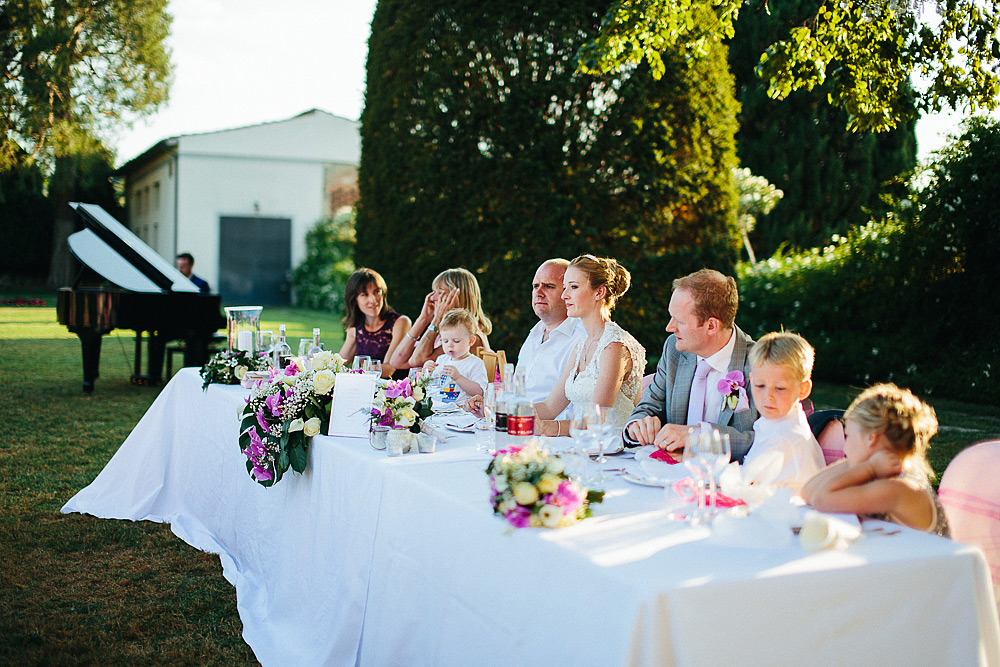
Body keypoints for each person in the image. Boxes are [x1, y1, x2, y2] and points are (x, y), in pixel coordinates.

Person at [624, 269, 757, 462]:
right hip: (667, 475)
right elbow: (649, 406)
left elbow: (762, 439)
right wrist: (637, 425)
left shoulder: (759, 363)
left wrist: (700, 436)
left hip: (728, 481)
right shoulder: (674, 349)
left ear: (711, 326)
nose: (669, 327)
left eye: (679, 321)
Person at [800, 384, 949, 536]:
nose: (845, 447)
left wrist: (868, 467)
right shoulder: (881, 471)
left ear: (871, 437)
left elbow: (820, 500)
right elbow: (807, 492)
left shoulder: (900, 487)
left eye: (848, 435)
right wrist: (861, 463)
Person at [533, 255, 646, 435]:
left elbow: (597, 419)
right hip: (584, 446)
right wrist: (507, 412)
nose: (564, 295)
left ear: (599, 293)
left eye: (574, 287)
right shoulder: (581, 346)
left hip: (615, 453)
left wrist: (546, 427)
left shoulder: (614, 346)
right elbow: (549, 407)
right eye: (564, 288)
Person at [463, 259, 585, 418]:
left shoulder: (582, 338)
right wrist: (488, 405)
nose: (539, 292)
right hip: (518, 424)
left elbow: (571, 412)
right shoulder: (535, 332)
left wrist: (505, 414)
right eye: (535, 286)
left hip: (553, 435)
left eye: (548, 286)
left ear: (568, 292)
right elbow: (517, 392)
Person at [741, 332, 825, 492]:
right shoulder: (775, 422)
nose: (768, 397)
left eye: (780, 388)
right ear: (751, 380)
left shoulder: (784, 439)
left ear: (803, 389)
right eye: (759, 385)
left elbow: (755, 493)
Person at [390, 268, 492, 371]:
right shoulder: (446, 330)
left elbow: (417, 361)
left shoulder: (468, 335)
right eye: (434, 292)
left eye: (440, 293)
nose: (432, 298)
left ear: (458, 298)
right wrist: (423, 319)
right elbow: (396, 362)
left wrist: (437, 320)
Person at [338, 268, 412, 379]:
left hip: (396, 391)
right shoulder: (355, 328)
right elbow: (338, 364)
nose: (373, 300)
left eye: (377, 292)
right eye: (365, 294)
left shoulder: (400, 322)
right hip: (368, 390)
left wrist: (355, 372)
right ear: (355, 300)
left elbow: (390, 368)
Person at [421, 309, 489, 404]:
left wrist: (458, 378)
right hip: (440, 408)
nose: (450, 345)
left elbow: (480, 392)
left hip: (464, 411)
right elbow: (429, 385)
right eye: (445, 341)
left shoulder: (475, 363)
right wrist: (427, 371)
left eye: (456, 341)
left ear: (471, 341)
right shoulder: (441, 360)